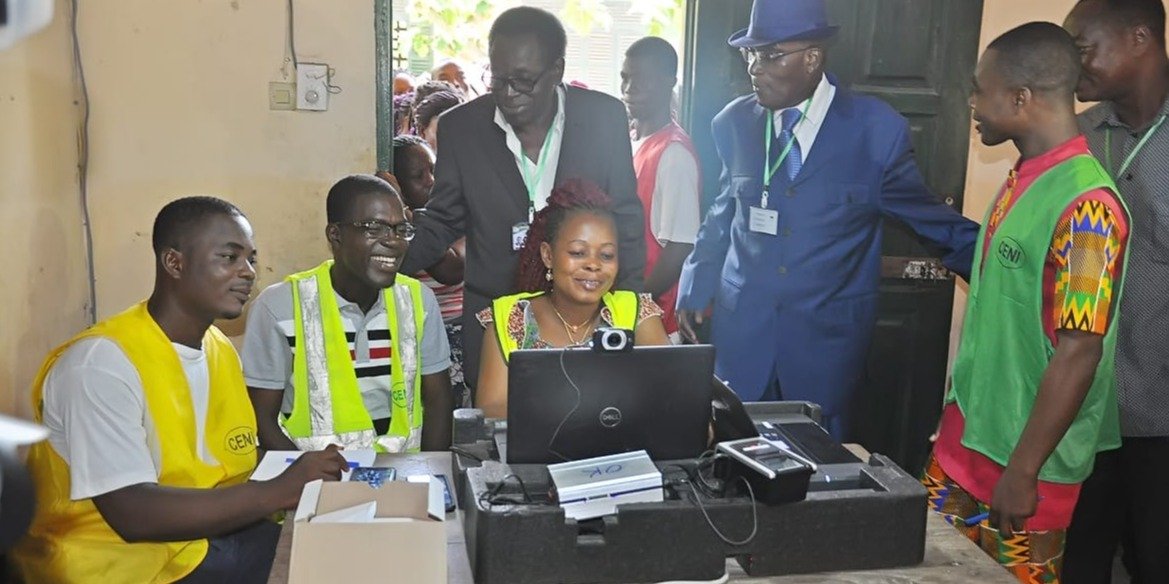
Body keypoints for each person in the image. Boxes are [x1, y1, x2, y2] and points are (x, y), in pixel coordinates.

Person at [674, 0, 978, 437]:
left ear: (813, 57)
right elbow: (723, 212)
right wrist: (695, 281)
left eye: (771, 54)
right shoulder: (734, 123)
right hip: (743, 335)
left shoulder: (875, 131)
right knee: (734, 469)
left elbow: (932, 221)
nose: (755, 68)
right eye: (750, 54)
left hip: (824, 346)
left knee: (815, 482)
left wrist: (1013, 272)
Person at [10, 197, 349, 583]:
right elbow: (133, 514)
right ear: (174, 263)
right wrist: (280, 491)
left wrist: (305, 472)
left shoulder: (219, 348)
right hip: (117, 565)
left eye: (251, 259)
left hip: (199, 542)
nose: (249, 272)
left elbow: (233, 456)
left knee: (334, 552)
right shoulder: (100, 364)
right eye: (229, 257)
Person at [921, 22, 1130, 583]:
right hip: (966, 444)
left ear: (1020, 98)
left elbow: (1080, 351)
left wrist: (1024, 469)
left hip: (1021, 469)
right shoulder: (1024, 177)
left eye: (979, 89)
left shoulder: (1089, 210)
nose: (971, 102)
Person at [402, 6, 645, 394]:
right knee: (498, 435)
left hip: (584, 316)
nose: (509, 93)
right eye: (498, 79)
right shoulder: (462, 127)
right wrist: (386, 265)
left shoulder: (604, 118)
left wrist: (629, 312)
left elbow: (625, 220)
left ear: (557, 71)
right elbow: (443, 218)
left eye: (524, 80)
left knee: (586, 417)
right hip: (493, 314)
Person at [1061, 1, 1169, 581]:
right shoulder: (1078, 137)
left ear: (1139, 38)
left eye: (1082, 47)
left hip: (1162, 420)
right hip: (1085, 416)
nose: (1070, 62)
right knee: (1077, 565)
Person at [242, 175, 453, 453]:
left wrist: (432, 476)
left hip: (403, 475)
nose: (393, 241)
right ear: (335, 235)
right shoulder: (280, 307)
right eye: (373, 228)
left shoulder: (418, 301)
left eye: (401, 229)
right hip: (310, 482)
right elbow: (261, 420)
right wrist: (304, 478)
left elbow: (439, 403)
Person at [475, 180, 669, 418]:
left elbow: (670, 393)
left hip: (621, 453)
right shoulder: (510, 318)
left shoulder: (636, 313)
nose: (593, 265)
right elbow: (492, 409)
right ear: (548, 255)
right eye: (578, 252)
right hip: (536, 454)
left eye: (607, 255)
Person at [622, 36, 702, 341]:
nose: (629, 88)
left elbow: (680, 246)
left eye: (641, 79)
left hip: (655, 322)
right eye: (625, 78)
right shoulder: (629, 139)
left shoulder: (674, 153)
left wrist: (632, 306)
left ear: (669, 82)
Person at [393, 134, 469, 406]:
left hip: (457, 332)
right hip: (414, 336)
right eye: (418, 176)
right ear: (399, 185)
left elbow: (450, 269)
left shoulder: (460, 215)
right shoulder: (395, 231)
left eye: (434, 170)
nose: (432, 181)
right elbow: (403, 264)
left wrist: (412, 219)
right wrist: (401, 214)